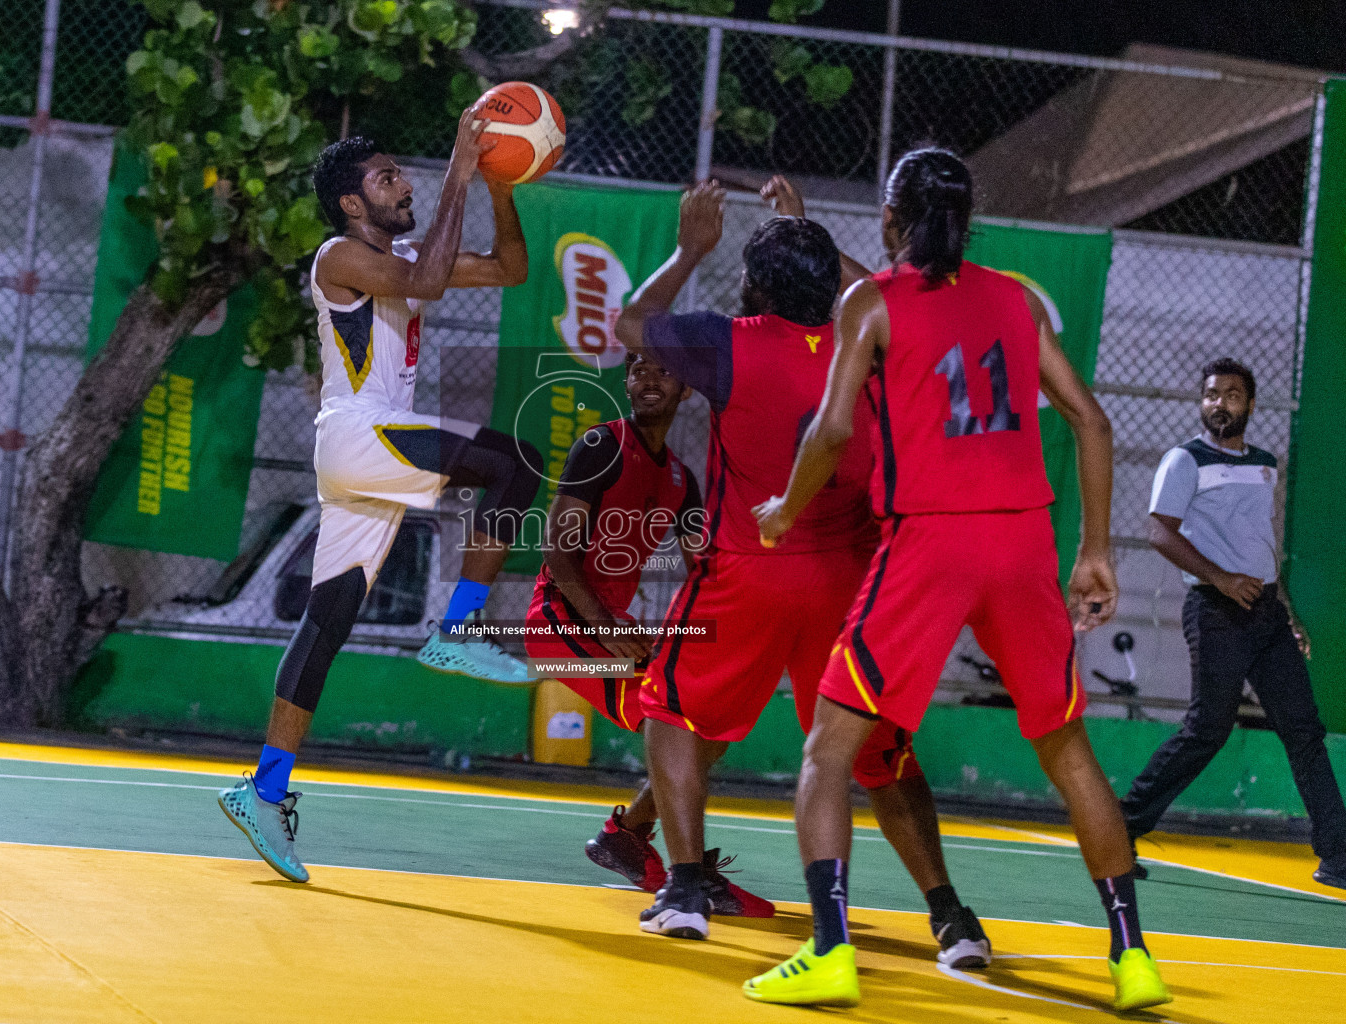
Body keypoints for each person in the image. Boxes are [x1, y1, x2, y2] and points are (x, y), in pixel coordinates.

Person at [747, 147, 1169, 1012]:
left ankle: (830, 954)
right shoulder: (1012, 300)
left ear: (891, 220)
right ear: (967, 221)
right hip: (1021, 546)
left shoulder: (873, 305)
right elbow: (1091, 419)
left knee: (829, 752)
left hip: (928, 547)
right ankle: (1133, 960)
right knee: (1068, 751)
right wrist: (1096, 550)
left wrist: (786, 510)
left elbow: (830, 434)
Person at [607, 175, 992, 971]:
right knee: (881, 754)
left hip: (747, 568)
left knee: (673, 712)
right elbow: (882, 297)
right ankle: (952, 916)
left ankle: (683, 890)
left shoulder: (727, 341)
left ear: (752, 285)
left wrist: (688, 248)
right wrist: (810, 232)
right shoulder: (876, 343)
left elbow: (631, 323)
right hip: (851, 580)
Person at [218, 108, 542, 883]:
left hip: (368, 449)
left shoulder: (402, 256)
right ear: (352, 204)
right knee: (513, 462)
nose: (404, 185)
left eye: (403, 172)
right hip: (363, 434)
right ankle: (457, 629)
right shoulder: (341, 255)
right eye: (386, 177)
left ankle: (261, 790)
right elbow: (424, 279)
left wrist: (503, 184)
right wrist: (462, 168)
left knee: (326, 623)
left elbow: (510, 268)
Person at [525, 350, 774, 916]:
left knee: (709, 713)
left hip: (613, 628)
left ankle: (629, 834)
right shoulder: (601, 446)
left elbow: (705, 567)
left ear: (686, 389)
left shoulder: (681, 479)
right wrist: (609, 627)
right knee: (677, 719)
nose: (647, 379)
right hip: (560, 624)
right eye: (638, 369)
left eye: (663, 371)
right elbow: (559, 557)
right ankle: (671, 864)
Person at [1123, 357, 1346, 890]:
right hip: (1216, 610)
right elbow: (1160, 532)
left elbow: (1261, 543)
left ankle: (1338, 856)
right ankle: (1119, 828)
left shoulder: (1266, 463)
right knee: (1208, 728)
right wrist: (1221, 578)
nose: (1219, 403)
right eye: (1210, 395)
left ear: (1249, 402)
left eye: (1230, 394)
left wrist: (1286, 613)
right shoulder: (1185, 460)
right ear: (1202, 403)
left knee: (1304, 732)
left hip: (1266, 613)